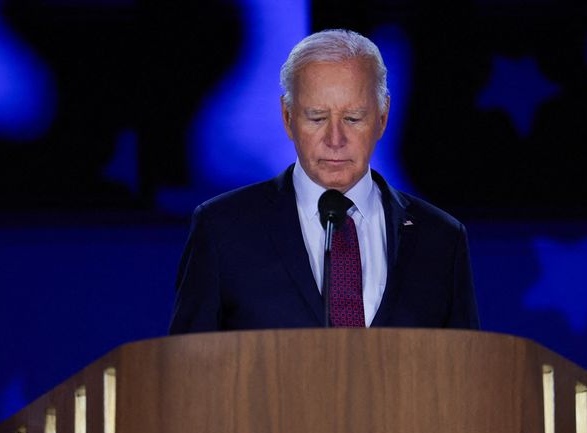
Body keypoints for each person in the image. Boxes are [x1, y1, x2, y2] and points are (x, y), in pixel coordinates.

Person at [169, 29, 479, 333]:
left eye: (353, 118)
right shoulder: (222, 229)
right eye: (317, 118)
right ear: (288, 118)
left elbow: (463, 371)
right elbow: (188, 369)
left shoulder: (441, 239)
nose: (335, 139)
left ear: (382, 118)